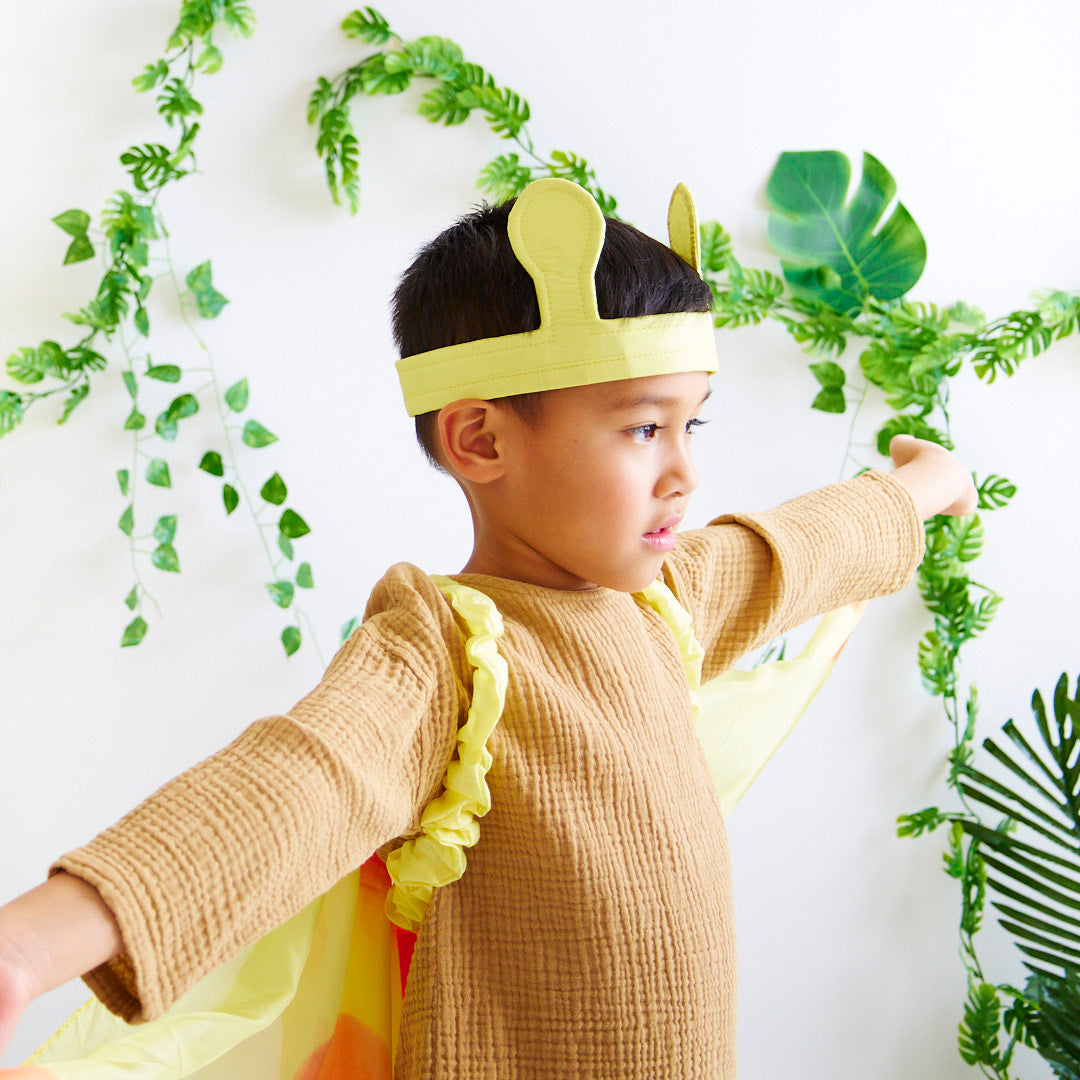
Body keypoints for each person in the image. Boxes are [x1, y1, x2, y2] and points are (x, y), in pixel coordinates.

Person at [0, 178, 976, 1079]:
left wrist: (919, 487)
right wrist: (30, 948)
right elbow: (296, 785)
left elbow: (790, 551)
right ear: (480, 439)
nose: (682, 471)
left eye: (694, 426)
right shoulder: (448, 651)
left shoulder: (663, 601)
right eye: (643, 428)